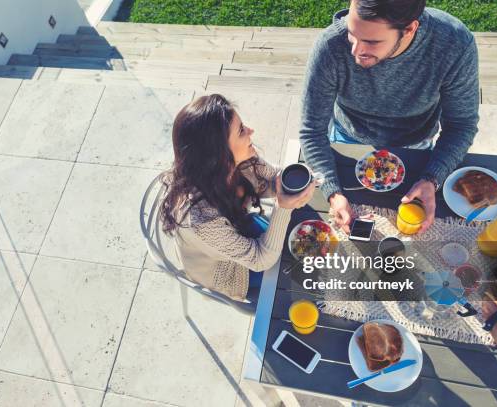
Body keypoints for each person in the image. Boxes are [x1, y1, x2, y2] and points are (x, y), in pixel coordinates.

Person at [300, 0, 480, 234]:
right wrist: (332, 191)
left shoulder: (455, 44)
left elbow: (461, 124)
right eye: (352, 34)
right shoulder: (330, 45)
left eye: (372, 42)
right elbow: (311, 131)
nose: (355, 51)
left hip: (416, 145)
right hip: (348, 139)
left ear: (410, 29)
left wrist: (432, 178)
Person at [160, 94, 316, 301]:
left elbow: (273, 178)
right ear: (219, 153)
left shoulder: (237, 161)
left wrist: (305, 183)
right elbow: (262, 260)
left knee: (305, 245)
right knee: (300, 279)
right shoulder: (201, 220)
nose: (251, 131)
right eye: (242, 131)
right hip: (228, 270)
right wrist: (283, 206)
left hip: (238, 228)